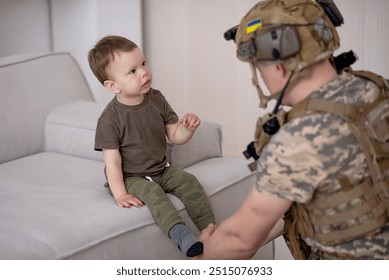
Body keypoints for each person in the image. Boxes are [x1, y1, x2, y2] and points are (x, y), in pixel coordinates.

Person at [195, 0, 389, 259]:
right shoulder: (377, 88)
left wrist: (203, 255)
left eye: (259, 67)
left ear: (278, 66)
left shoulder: (299, 138)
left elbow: (241, 240)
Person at [88, 35, 216, 257]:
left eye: (143, 64)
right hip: (132, 177)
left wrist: (188, 128)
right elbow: (113, 162)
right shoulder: (109, 119)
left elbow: (175, 135)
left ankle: (211, 229)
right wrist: (120, 195)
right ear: (112, 85)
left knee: (188, 181)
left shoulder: (156, 99)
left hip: (161, 169)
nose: (144, 72)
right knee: (153, 193)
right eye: (132, 71)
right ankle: (181, 236)